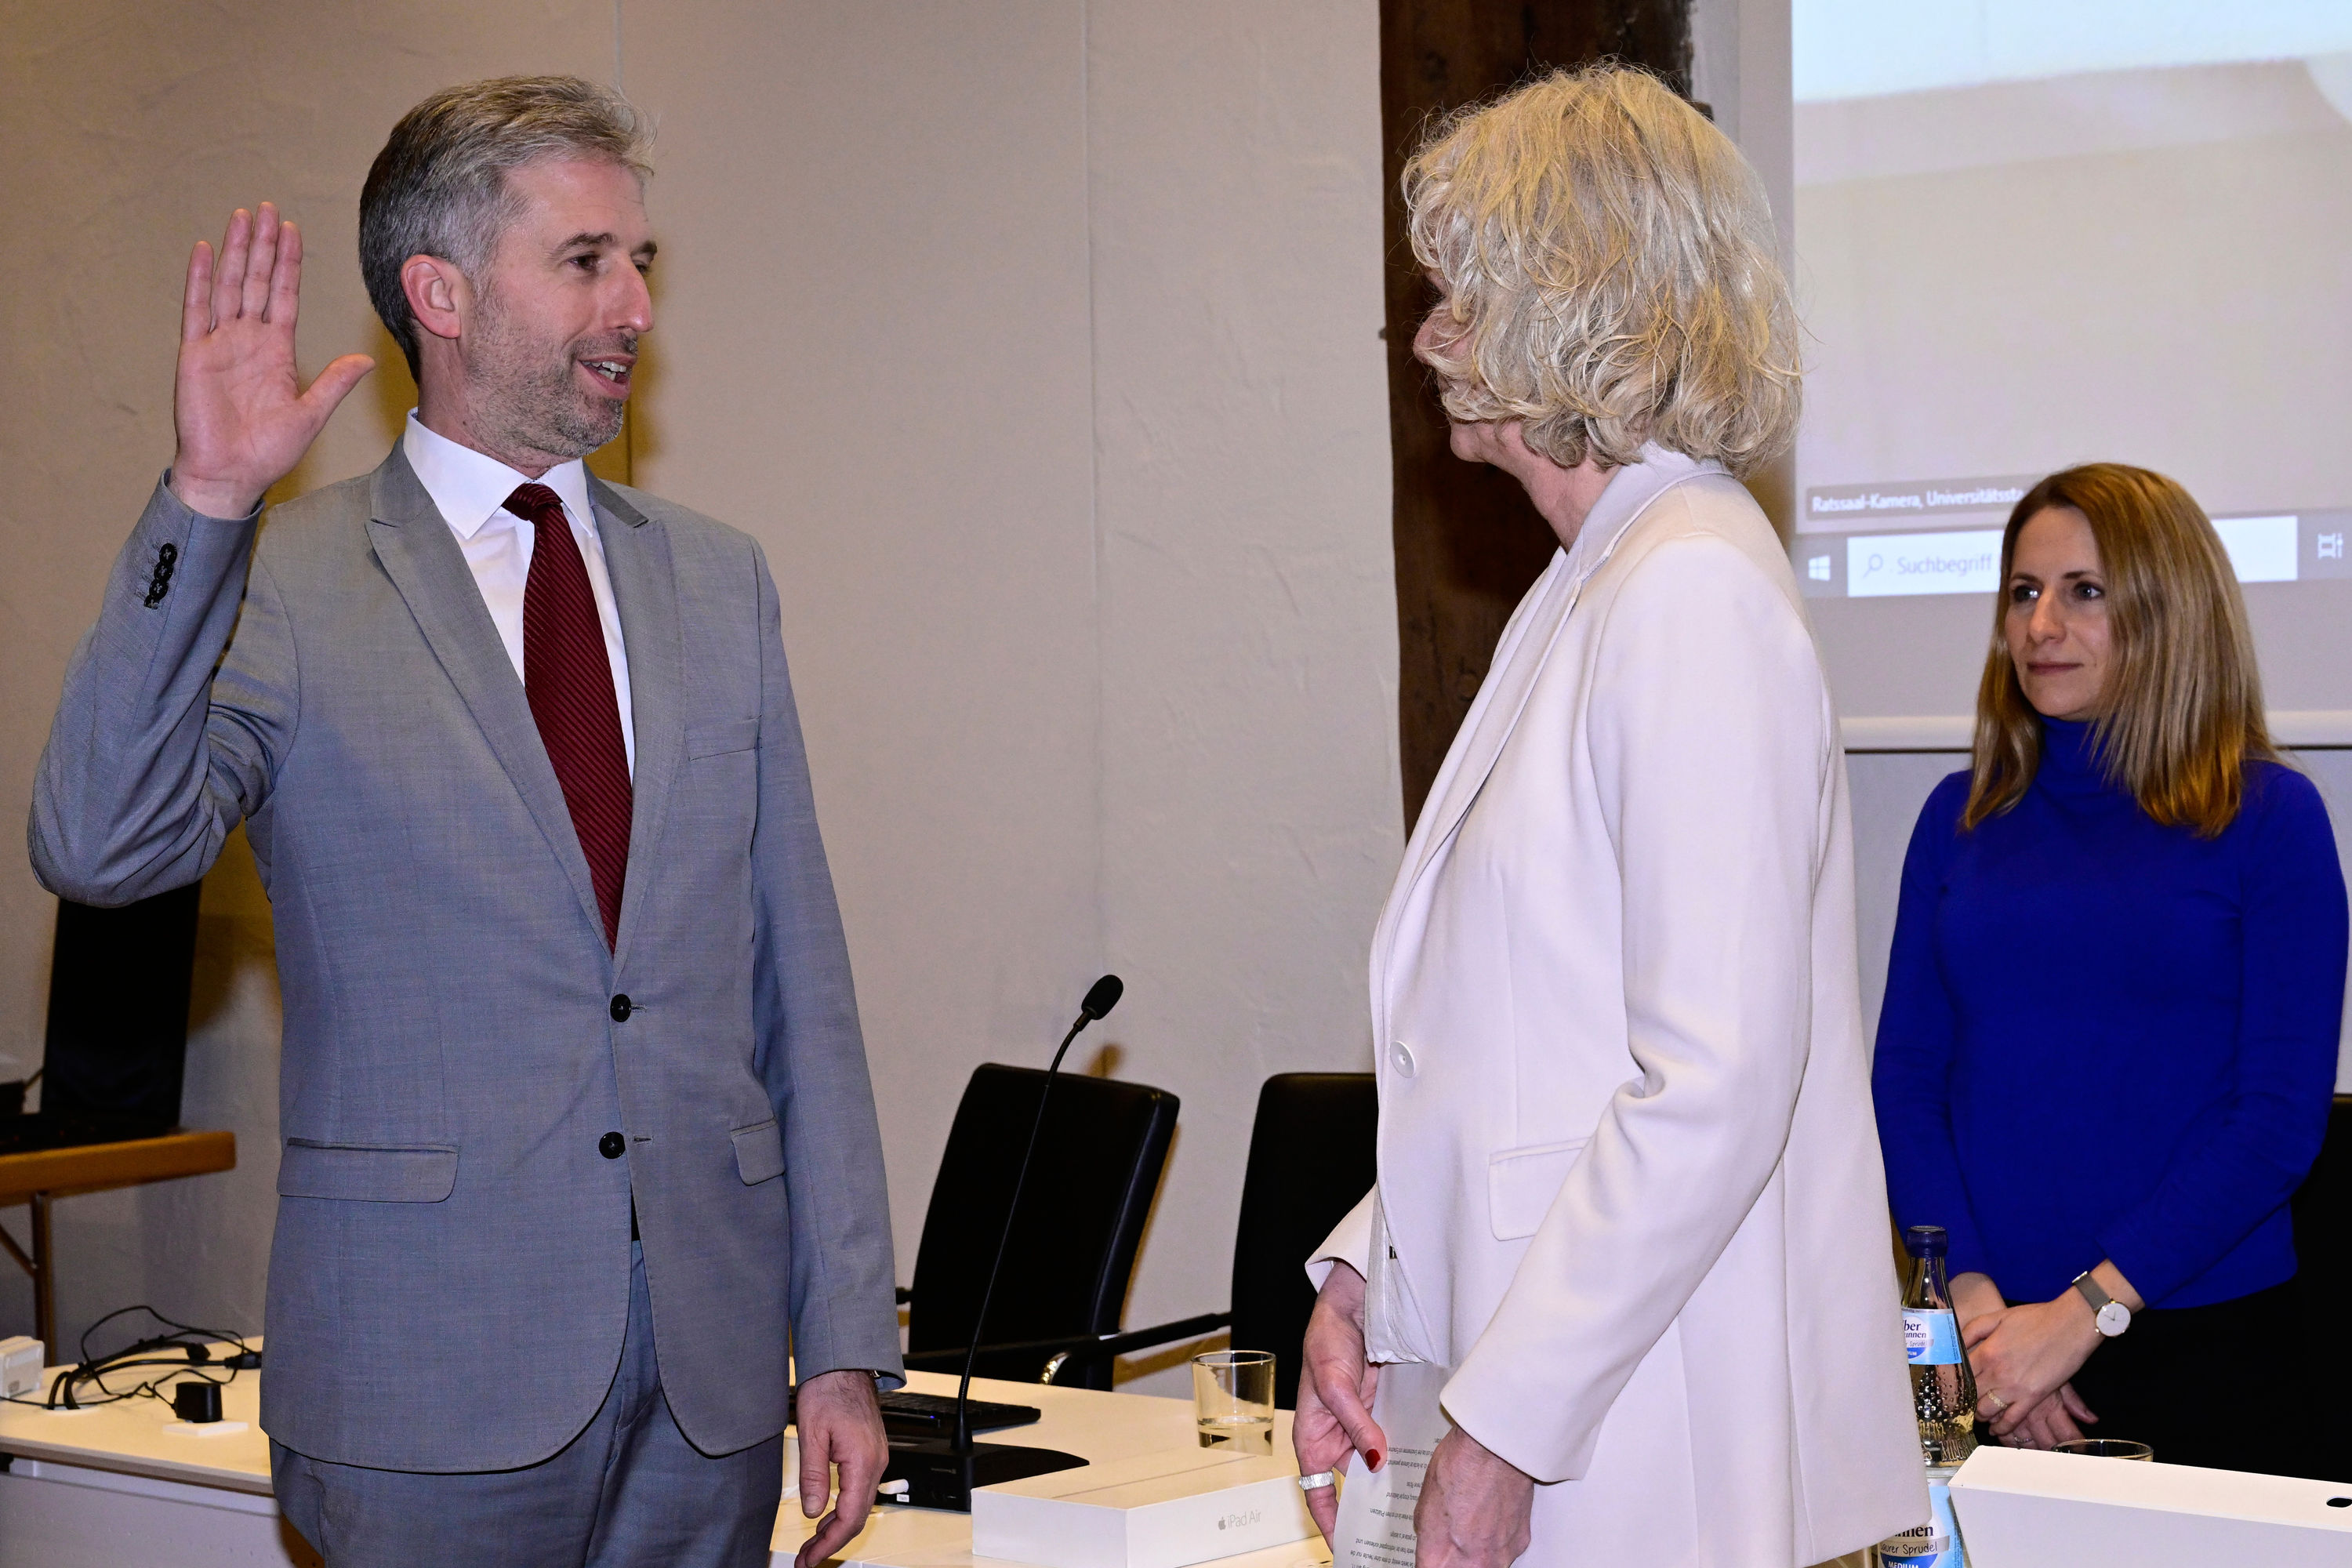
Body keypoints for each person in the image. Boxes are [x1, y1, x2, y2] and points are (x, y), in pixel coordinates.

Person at [29, 77, 901, 1566]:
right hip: (423, 1385)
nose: (637, 308)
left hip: (707, 1395)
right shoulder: (284, 582)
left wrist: (841, 1342)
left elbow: (798, 986)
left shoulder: (719, 580)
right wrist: (206, 500)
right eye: (586, 262)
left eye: (641, 263)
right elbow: (101, 846)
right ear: (441, 294)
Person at [1290, 67, 1922, 1568]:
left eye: (1460, 295)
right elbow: (1520, 1047)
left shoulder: (1690, 589)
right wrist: (1369, 1275)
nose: (1429, 338)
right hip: (1540, 1371)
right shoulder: (1597, 579)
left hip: (1635, 1418)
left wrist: (1504, 1429)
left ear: (1565, 302)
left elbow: (1713, 1082)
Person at [1872, 463, 2347, 1475]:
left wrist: (2082, 1317)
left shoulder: (2271, 817)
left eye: (2085, 591)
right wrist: (1979, 1314)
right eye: (2023, 591)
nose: (2041, 625)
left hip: (2204, 1349)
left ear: (2170, 610)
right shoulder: (1958, 817)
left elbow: (2275, 1123)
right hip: (1984, 1347)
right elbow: (1907, 1078)